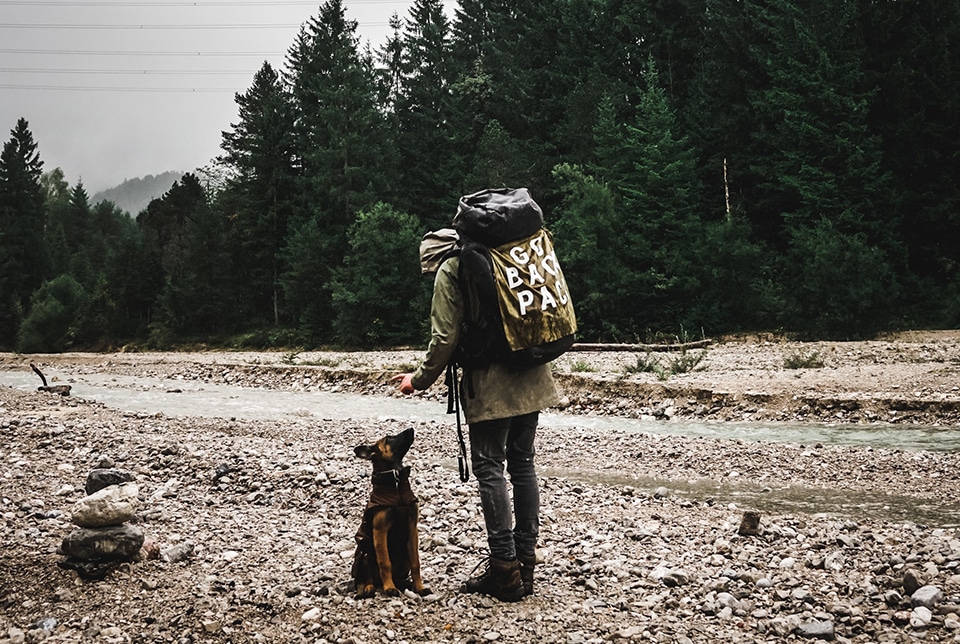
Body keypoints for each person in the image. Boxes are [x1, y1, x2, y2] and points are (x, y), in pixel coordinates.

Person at [394, 228, 560, 602]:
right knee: (522, 464)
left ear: (433, 257)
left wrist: (418, 380)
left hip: (492, 381)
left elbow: (444, 338)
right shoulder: (507, 253)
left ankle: (504, 569)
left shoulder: (452, 268)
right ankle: (526, 562)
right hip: (532, 370)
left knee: (489, 467)